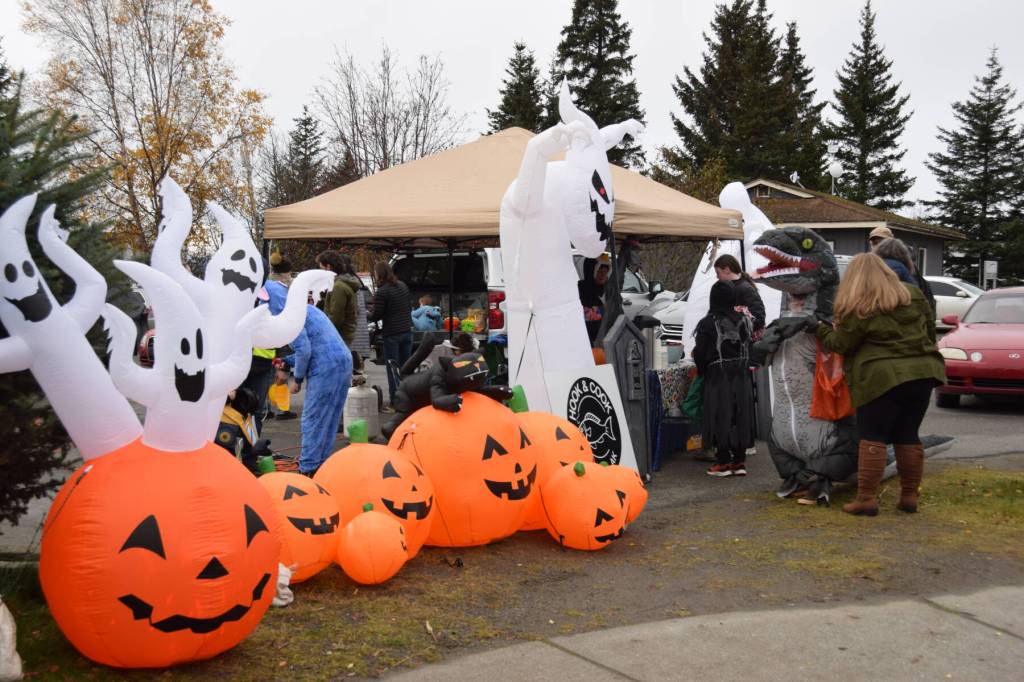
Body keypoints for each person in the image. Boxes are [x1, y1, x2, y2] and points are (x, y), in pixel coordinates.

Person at [809, 253, 946, 516]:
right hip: (922, 373)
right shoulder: (913, 295)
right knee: (908, 435)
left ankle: (867, 499)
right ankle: (908, 497)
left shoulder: (860, 304)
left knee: (873, 436)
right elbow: (929, 333)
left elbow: (842, 344)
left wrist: (819, 328)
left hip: (880, 377)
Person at [265, 279, 353, 476]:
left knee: (312, 420)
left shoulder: (289, 316)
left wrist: (296, 379)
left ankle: (308, 469)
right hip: (343, 362)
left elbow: (304, 351)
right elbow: (314, 346)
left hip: (326, 368)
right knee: (329, 419)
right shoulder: (309, 310)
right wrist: (287, 362)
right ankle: (321, 466)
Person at [692, 281, 755, 477]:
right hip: (742, 374)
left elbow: (700, 352)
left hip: (718, 374)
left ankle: (723, 461)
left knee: (720, 414)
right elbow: (750, 347)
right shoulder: (745, 320)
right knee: (740, 414)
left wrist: (702, 372)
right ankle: (739, 461)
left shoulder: (708, 322)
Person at [369, 261, 413, 405]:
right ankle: (408, 396)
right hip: (407, 331)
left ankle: (396, 400)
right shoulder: (403, 285)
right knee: (405, 367)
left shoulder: (382, 291)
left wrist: (367, 314)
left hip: (392, 334)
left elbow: (377, 315)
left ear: (379, 274)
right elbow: (408, 306)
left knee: (393, 369)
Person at [317, 249, 365, 370]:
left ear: (328, 267)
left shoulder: (338, 287)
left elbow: (336, 317)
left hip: (338, 336)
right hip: (343, 335)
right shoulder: (342, 284)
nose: (321, 271)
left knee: (336, 370)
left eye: (321, 267)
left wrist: (325, 334)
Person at [872, 237, 936, 313]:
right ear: (905, 255)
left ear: (878, 252)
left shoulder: (870, 272)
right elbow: (924, 306)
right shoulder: (908, 275)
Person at [714, 254, 765, 334]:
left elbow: (759, 319)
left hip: (747, 342)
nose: (717, 276)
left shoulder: (745, 289)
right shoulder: (726, 288)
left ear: (727, 270)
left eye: (718, 272)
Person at [578, 257, 610, 345]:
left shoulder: (607, 289)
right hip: (587, 339)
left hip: (603, 338)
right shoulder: (582, 289)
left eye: (605, 272)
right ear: (592, 272)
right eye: (600, 271)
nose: (602, 275)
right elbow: (583, 315)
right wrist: (603, 310)